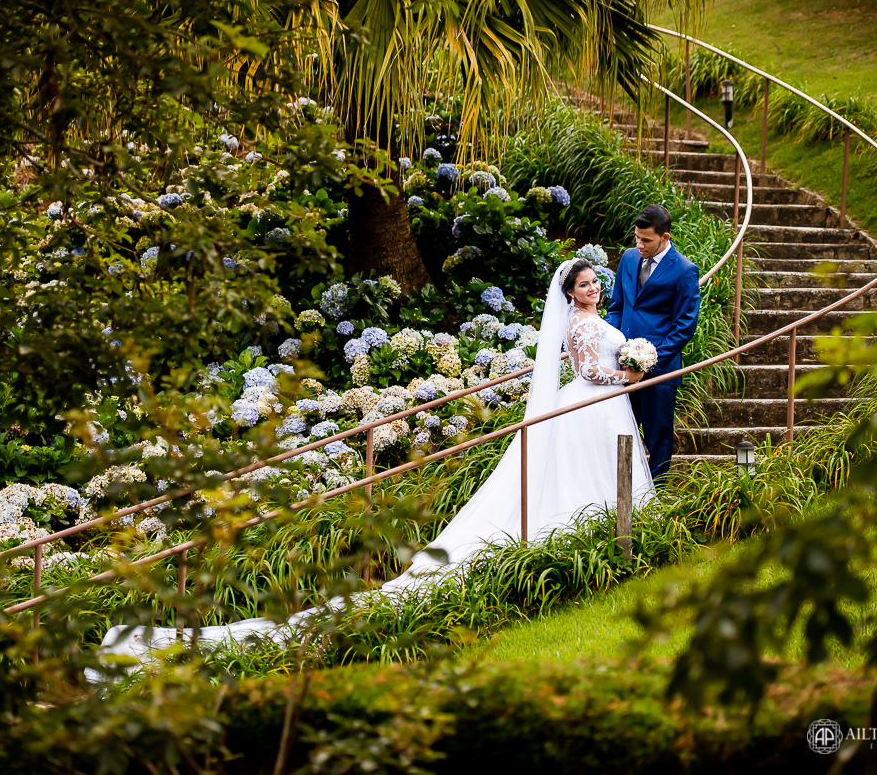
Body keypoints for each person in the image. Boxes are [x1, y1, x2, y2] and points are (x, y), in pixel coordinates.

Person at [92, 259, 655, 667]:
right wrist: (629, 372)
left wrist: (626, 362)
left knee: (594, 472)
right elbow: (588, 371)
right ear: (570, 293)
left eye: (594, 283)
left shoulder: (588, 319)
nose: (592, 289)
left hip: (595, 408)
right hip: (591, 403)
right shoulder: (582, 325)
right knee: (582, 475)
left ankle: (610, 530)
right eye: (583, 285)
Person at [605, 205, 701, 481]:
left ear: (665, 237)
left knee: (658, 439)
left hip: (659, 372)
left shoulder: (684, 270)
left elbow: (685, 325)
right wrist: (612, 344)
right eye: (637, 237)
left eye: (646, 239)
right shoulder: (628, 257)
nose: (639, 244)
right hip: (621, 366)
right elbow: (617, 307)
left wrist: (650, 361)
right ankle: (621, 494)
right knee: (621, 431)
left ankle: (657, 498)